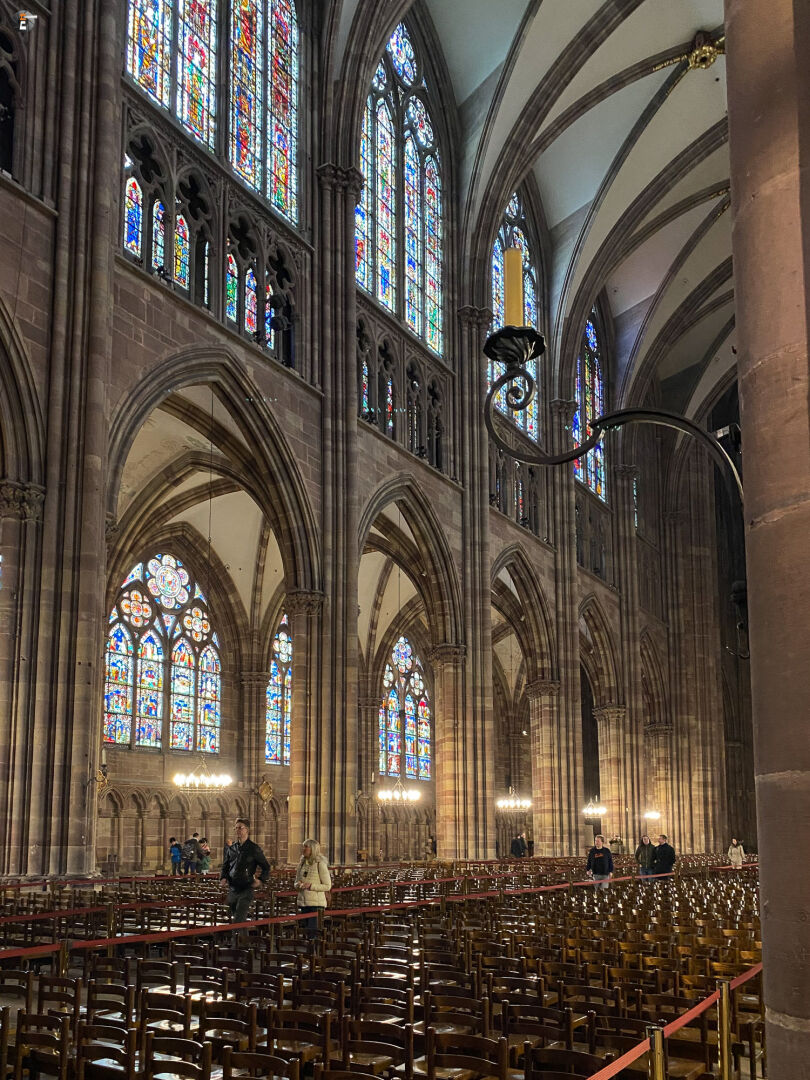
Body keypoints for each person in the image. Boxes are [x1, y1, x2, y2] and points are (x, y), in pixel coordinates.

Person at [220, 818, 271, 925]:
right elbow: (225, 866)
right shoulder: (232, 848)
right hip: (233, 888)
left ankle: (236, 941)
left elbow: (266, 867)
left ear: (247, 830)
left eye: (240, 828)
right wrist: (223, 878)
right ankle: (244, 940)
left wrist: (261, 880)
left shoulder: (253, 848)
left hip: (246, 888)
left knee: (238, 918)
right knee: (235, 919)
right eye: (236, 828)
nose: (237, 830)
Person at [294, 838, 332, 940]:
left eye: (306, 847)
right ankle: (306, 954)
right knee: (305, 932)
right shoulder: (302, 864)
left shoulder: (320, 864)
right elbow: (296, 882)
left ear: (313, 849)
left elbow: (327, 886)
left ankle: (314, 954)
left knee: (312, 933)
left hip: (316, 904)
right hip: (303, 903)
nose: (303, 849)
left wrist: (310, 886)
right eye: (304, 846)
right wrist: (299, 885)